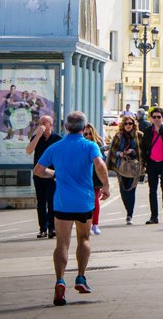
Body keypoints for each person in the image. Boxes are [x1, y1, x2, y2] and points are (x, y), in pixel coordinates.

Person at [34, 111, 109, 307]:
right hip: (84, 202)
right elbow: (100, 165)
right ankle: (81, 277)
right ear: (84, 129)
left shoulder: (56, 147)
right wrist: (105, 185)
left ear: (65, 127)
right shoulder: (90, 145)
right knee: (84, 239)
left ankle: (60, 280)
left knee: (61, 243)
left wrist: (54, 173)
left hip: (62, 203)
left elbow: (38, 170)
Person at [140, 106, 163, 224]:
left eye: (159, 117)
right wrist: (145, 161)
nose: (156, 119)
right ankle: (154, 216)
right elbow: (143, 147)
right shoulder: (147, 131)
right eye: (154, 117)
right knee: (152, 190)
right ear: (151, 118)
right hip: (152, 164)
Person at [26, 115, 62, 239]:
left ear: (50, 125)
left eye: (44, 122)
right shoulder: (36, 138)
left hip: (52, 175)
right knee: (41, 202)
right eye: (40, 122)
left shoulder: (57, 139)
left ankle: (53, 228)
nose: (42, 124)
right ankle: (43, 228)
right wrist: (38, 136)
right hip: (38, 175)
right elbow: (29, 151)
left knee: (52, 202)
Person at [107, 115, 142, 224]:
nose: (128, 126)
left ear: (133, 124)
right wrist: (120, 153)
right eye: (126, 124)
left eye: (130, 124)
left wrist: (133, 152)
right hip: (121, 166)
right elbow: (113, 151)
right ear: (123, 125)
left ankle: (129, 215)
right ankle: (128, 209)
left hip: (134, 167)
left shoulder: (139, 136)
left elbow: (142, 151)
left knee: (131, 190)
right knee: (123, 191)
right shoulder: (118, 136)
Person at [82, 123, 107, 235]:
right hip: (83, 176)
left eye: (89, 134)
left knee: (95, 200)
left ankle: (95, 224)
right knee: (85, 201)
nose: (87, 136)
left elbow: (102, 160)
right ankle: (87, 223)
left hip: (95, 176)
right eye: (85, 134)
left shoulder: (98, 143)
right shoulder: (80, 144)